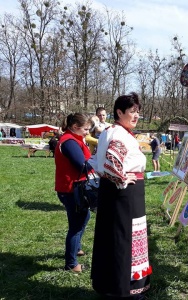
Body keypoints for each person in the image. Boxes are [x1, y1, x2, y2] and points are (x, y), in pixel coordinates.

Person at [90, 93, 151, 299]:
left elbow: (101, 163)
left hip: (115, 192)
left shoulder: (112, 131)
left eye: (137, 112)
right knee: (125, 238)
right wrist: (122, 178)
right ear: (119, 112)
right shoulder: (119, 134)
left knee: (113, 237)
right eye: (132, 111)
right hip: (124, 194)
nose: (136, 116)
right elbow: (111, 161)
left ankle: (111, 285)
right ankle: (126, 289)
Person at [54, 113, 93, 273]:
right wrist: (100, 163)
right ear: (75, 127)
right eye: (85, 129)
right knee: (76, 226)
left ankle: (75, 248)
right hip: (71, 189)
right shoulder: (69, 142)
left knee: (84, 217)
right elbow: (82, 165)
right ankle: (71, 264)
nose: (87, 133)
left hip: (73, 188)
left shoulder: (73, 140)